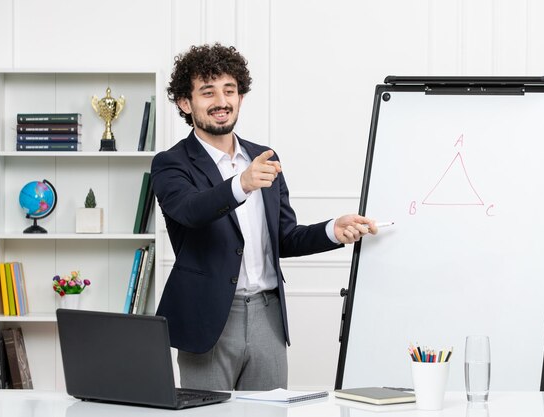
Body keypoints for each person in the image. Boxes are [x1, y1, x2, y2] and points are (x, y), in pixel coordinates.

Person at [151, 43, 378, 391]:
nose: (221, 102)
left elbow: (284, 238)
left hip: (267, 317)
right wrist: (240, 184)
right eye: (207, 92)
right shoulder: (171, 164)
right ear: (185, 102)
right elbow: (190, 211)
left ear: (241, 96)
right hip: (208, 321)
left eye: (230, 90)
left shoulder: (264, 158)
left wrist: (334, 229)